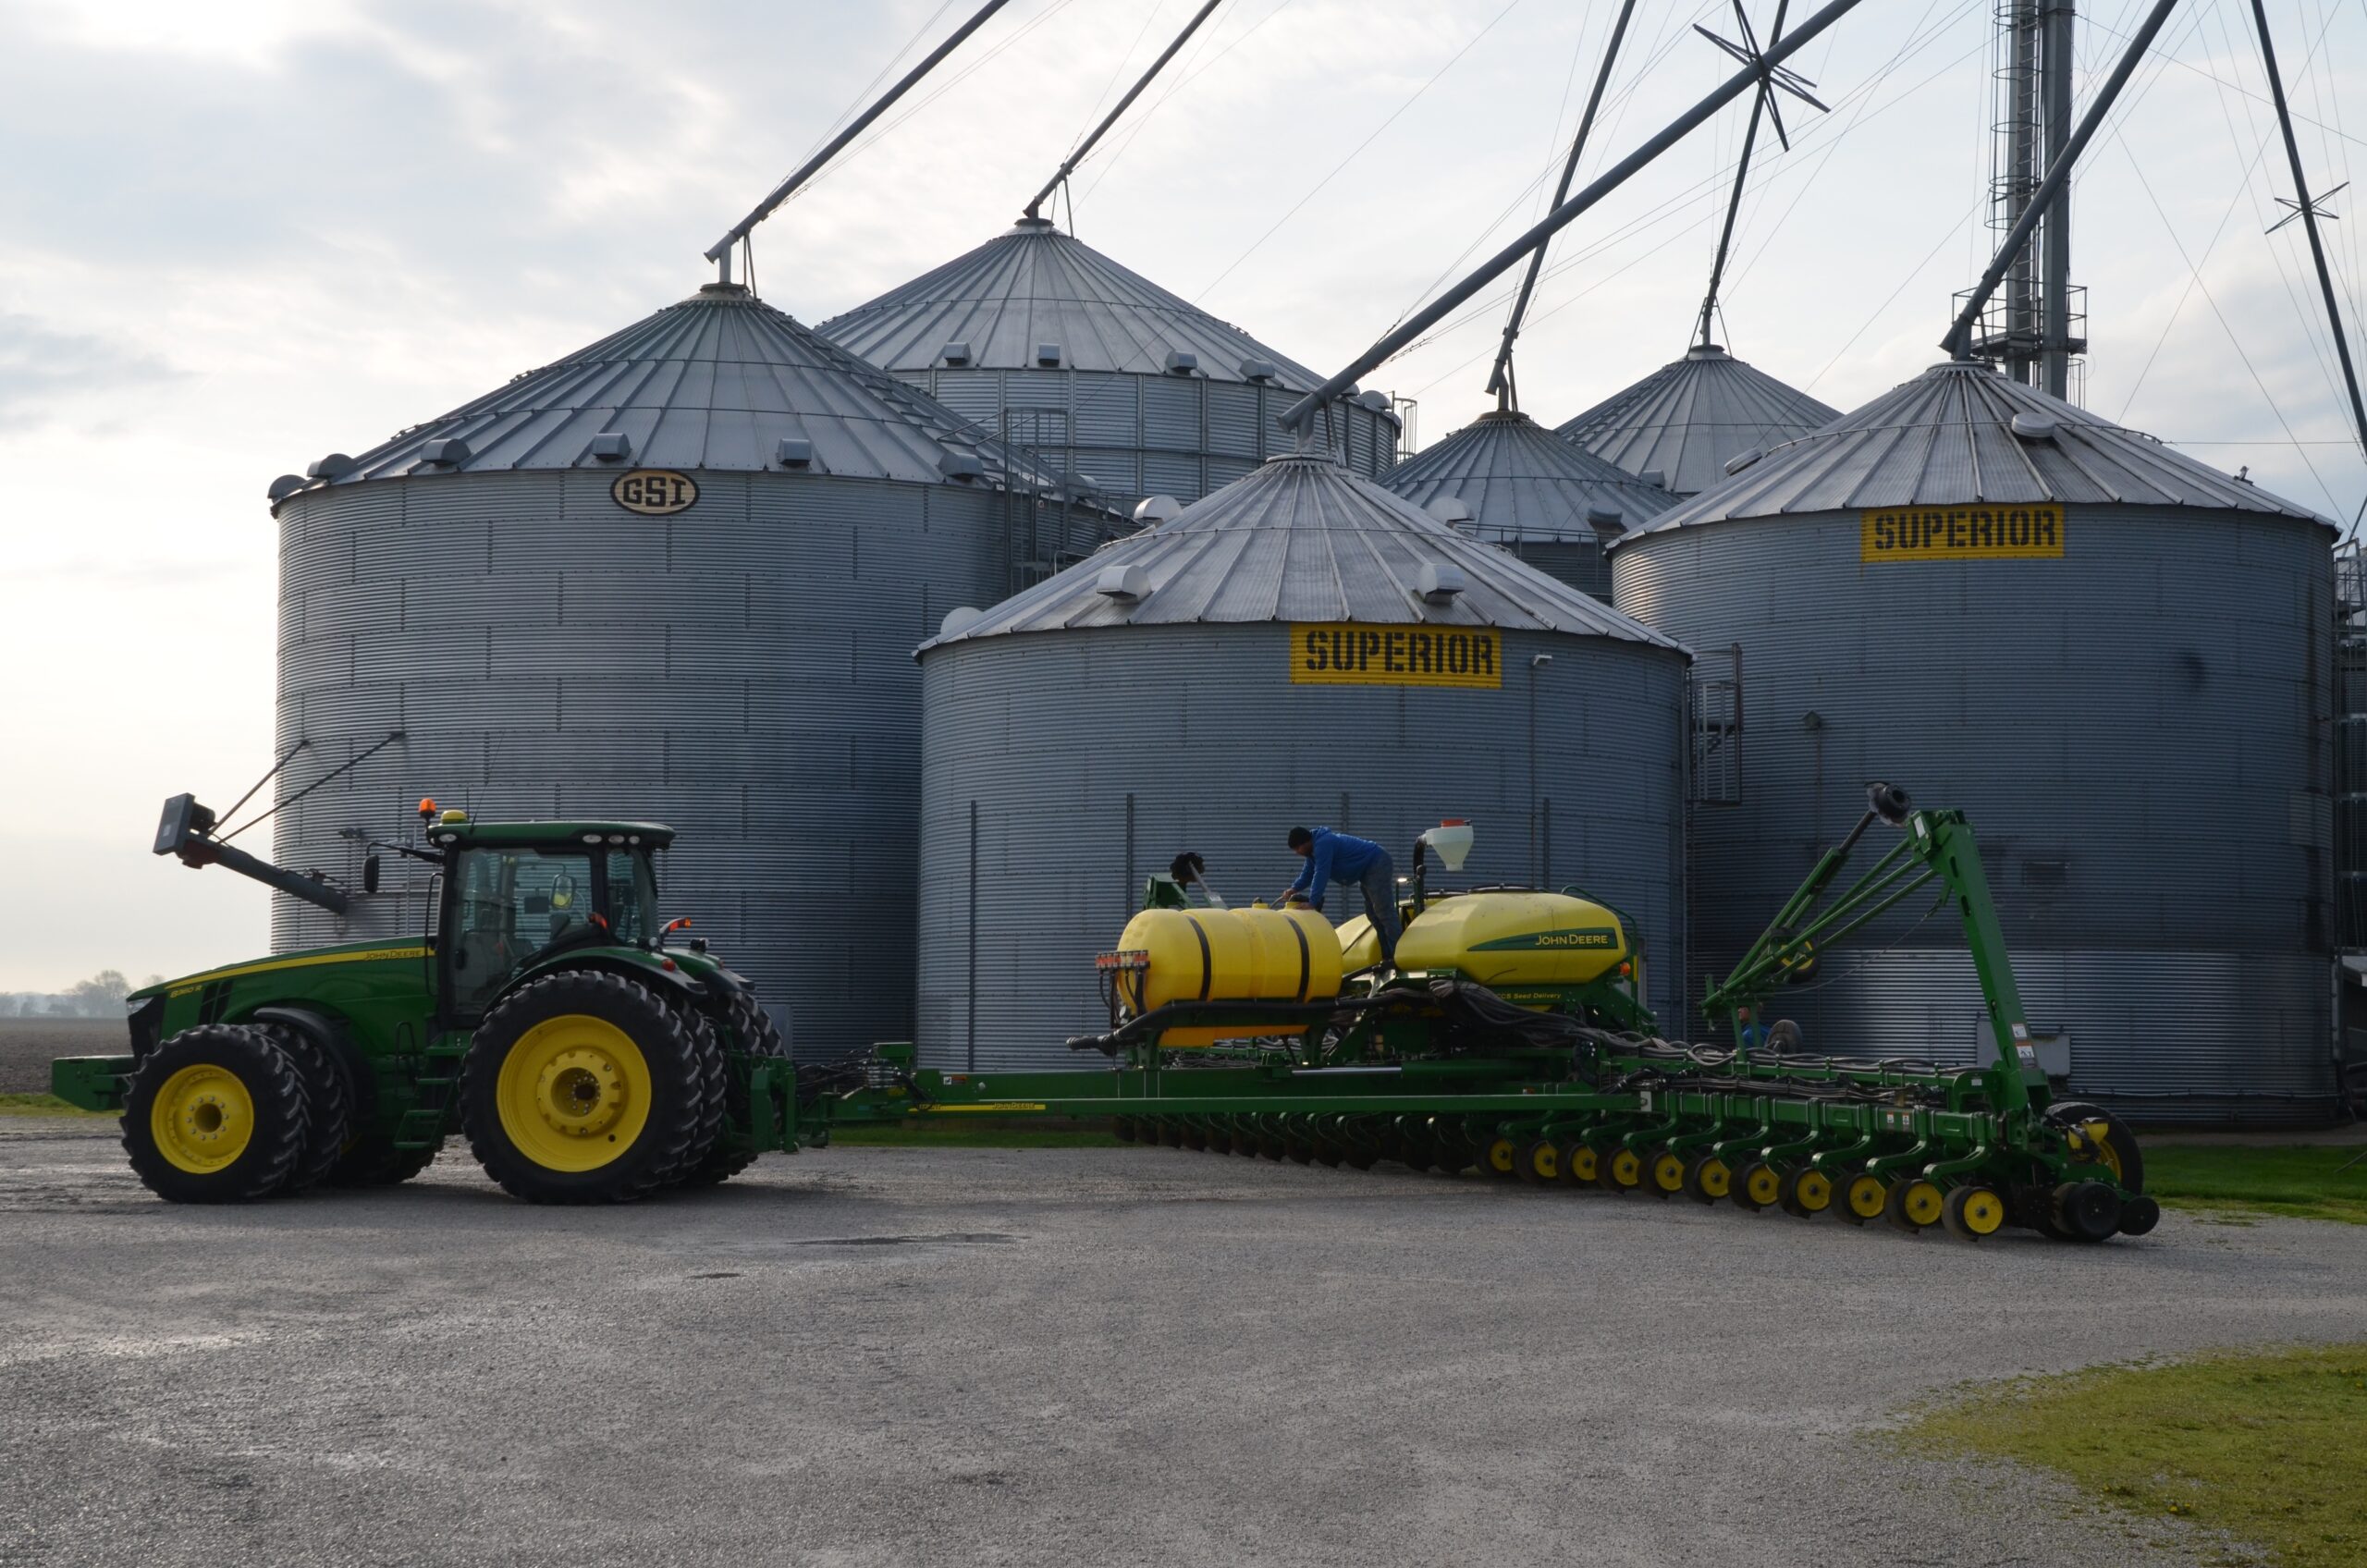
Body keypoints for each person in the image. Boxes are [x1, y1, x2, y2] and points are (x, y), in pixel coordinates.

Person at [1280, 826, 1399, 965]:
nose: (1297, 853)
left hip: (1376, 863)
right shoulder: (1312, 852)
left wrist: (1312, 902)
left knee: (1383, 911)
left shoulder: (1324, 844)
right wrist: (1294, 888)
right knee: (1372, 914)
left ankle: (1398, 954)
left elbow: (1321, 873)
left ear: (1305, 843)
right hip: (1366, 869)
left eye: (1297, 849)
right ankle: (1387, 956)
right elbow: (1308, 873)